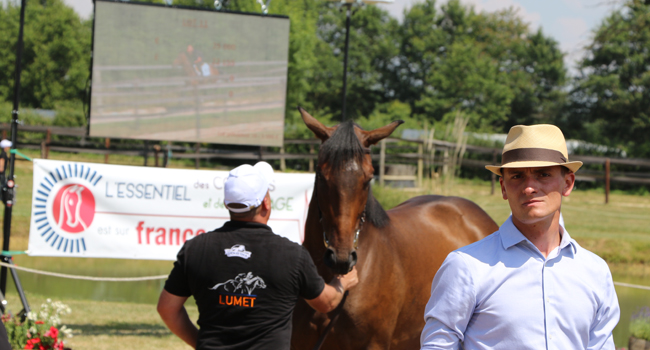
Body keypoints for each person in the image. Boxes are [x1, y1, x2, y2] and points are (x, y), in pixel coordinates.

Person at [420, 125, 620, 350]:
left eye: (543, 174)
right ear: (504, 187)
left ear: (568, 183)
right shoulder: (467, 266)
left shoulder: (595, 271)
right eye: (517, 176)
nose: (529, 187)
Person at [158, 161, 359, 350]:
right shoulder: (292, 255)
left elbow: (167, 309)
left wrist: (201, 344)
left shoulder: (195, 249)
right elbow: (326, 303)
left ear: (227, 204)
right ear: (266, 203)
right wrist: (342, 282)